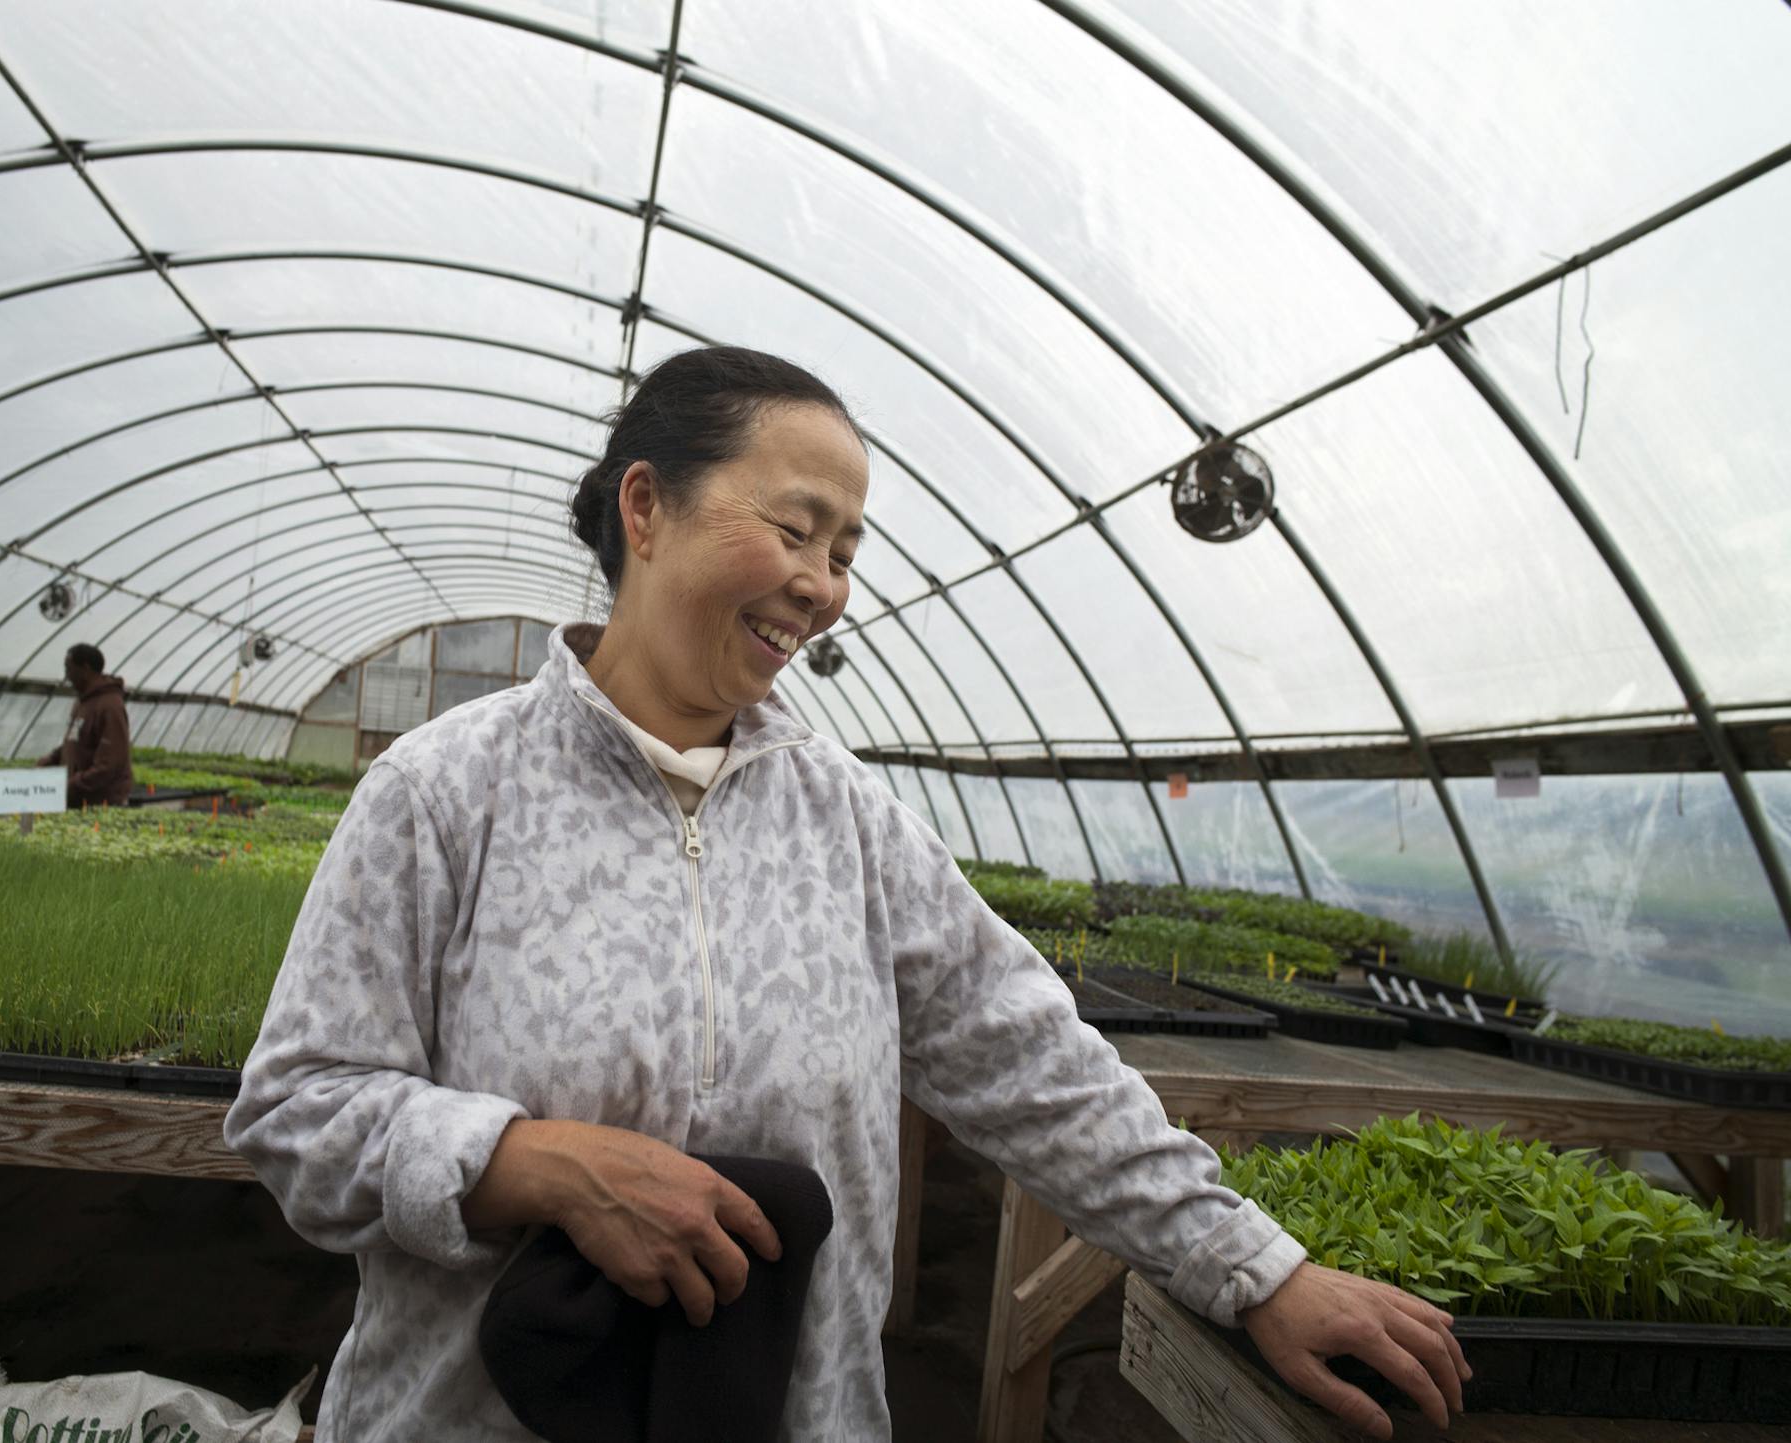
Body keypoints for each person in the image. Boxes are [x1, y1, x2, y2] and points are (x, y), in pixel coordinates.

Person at [226, 347, 1468, 1442]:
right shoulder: (449, 791)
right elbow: (297, 1110)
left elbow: (1029, 1058)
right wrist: (535, 1162)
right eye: (796, 527)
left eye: (845, 551)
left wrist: (1254, 1269)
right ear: (645, 507)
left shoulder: (848, 819)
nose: (822, 584)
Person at [39, 643, 132, 809]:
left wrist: (72, 784)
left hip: (100, 803)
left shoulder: (110, 705)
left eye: (69, 669)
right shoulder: (82, 702)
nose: (66, 676)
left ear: (85, 669)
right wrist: (54, 758)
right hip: (78, 798)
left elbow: (110, 763)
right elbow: (76, 738)